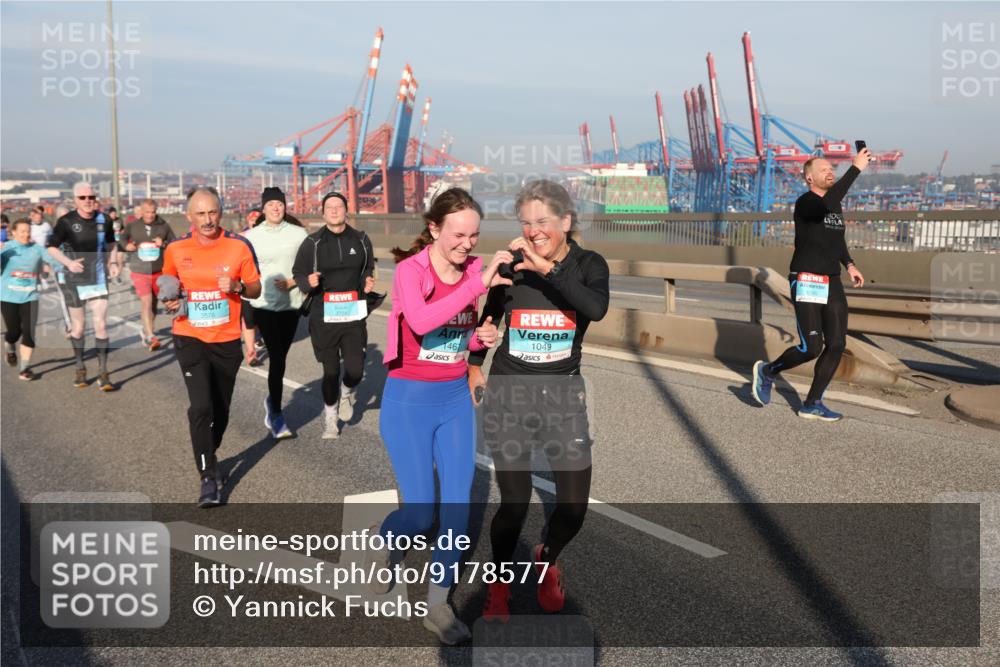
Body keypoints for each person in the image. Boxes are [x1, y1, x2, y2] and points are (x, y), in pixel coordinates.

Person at [468, 180, 609, 622]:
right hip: (510, 395)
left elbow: (595, 308)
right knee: (514, 503)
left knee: (572, 508)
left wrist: (547, 269)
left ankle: (547, 556)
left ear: (566, 221)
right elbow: (488, 317)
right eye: (526, 223)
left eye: (543, 222)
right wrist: (477, 358)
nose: (533, 231)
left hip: (563, 398)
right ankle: (500, 584)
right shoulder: (513, 266)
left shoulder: (588, 265)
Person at [373, 188, 506, 644]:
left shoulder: (472, 270)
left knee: (456, 510)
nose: (467, 244)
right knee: (420, 513)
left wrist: (480, 339)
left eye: (474, 235)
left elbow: (457, 338)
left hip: (452, 401)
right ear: (434, 228)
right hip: (408, 402)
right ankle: (388, 538)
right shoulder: (411, 271)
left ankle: (437, 603)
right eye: (458, 234)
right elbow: (424, 322)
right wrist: (477, 285)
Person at [751, 149, 870, 421]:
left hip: (832, 280)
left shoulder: (834, 205)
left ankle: (812, 402)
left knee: (837, 343)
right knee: (811, 347)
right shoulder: (806, 203)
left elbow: (836, 239)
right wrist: (856, 169)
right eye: (823, 169)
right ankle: (768, 371)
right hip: (806, 278)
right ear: (809, 178)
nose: (830, 172)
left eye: (832, 169)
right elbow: (826, 206)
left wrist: (849, 264)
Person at [161, 186, 262, 507]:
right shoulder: (176, 248)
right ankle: (207, 477)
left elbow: (256, 289)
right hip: (189, 336)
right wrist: (170, 299)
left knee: (221, 409)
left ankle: (210, 454)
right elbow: (167, 283)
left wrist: (238, 286)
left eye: (212, 212)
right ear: (189, 216)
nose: (207, 220)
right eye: (200, 214)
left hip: (227, 339)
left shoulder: (239, 246)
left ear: (221, 212)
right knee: (201, 407)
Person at [292, 192, 375, 439]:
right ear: (323, 213)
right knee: (330, 371)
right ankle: (330, 417)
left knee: (356, 370)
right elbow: (298, 273)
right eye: (330, 207)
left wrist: (368, 281)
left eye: (339, 206)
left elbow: (367, 267)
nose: (335, 210)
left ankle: (348, 391)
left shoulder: (361, 239)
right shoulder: (312, 243)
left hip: (352, 313)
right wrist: (307, 281)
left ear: (346, 210)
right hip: (323, 315)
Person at [242, 187, 308, 439]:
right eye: (271, 204)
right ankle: (277, 414)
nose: (276, 208)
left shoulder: (298, 234)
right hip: (263, 304)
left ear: (284, 206)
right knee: (278, 359)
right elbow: (244, 268)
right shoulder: (252, 236)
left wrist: (294, 281)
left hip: (291, 304)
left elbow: (309, 264)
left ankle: (272, 399)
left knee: (281, 356)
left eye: (279, 204)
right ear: (264, 208)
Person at [47, 182, 121, 391]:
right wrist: (68, 263)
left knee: (101, 325)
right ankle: (80, 367)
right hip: (74, 280)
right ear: (75, 200)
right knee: (78, 327)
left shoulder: (104, 219)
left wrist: (113, 262)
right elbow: (51, 247)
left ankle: (103, 372)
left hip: (98, 278)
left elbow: (111, 244)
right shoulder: (66, 221)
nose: (88, 201)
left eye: (91, 197)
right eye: (83, 198)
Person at [1, 219, 66, 380]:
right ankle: (10, 345)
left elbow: (52, 260)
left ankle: (25, 368)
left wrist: (67, 266)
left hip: (30, 296)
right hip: (8, 297)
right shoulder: (7, 248)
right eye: (22, 231)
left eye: (28, 230)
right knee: (14, 332)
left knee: (29, 333)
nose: (26, 234)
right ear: (13, 232)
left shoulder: (37, 249)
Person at [117, 198, 176, 351]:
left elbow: (175, 243)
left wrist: (162, 243)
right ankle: (151, 337)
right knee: (147, 302)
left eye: (153, 212)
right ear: (142, 212)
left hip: (158, 271)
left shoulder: (163, 225)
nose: (150, 215)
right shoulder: (133, 226)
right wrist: (127, 246)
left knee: (154, 306)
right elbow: (122, 239)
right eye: (147, 212)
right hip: (139, 270)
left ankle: (146, 330)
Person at [240, 207, 265, 365]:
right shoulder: (241, 237)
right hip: (247, 282)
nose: (254, 222)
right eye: (251, 220)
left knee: (262, 317)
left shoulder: (269, 236)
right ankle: (251, 352)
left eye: (257, 220)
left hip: (266, 282)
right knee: (248, 318)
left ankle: (260, 336)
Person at [28, 207, 53, 289]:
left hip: (45, 248)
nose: (38, 219)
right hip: (34, 249)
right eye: (36, 218)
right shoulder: (30, 227)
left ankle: (44, 279)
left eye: (39, 218)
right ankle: (38, 282)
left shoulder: (47, 225)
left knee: (46, 264)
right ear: (33, 218)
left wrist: (49, 243)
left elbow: (51, 235)